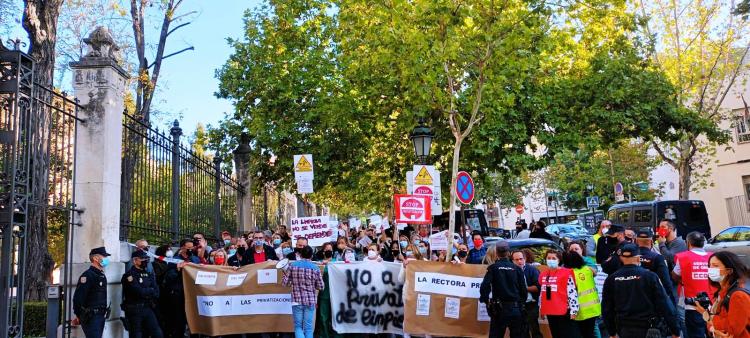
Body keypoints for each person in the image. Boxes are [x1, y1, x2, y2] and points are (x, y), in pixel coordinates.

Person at [601, 243, 680, 338]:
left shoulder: (611, 279)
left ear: (621, 258)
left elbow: (606, 309)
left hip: (624, 329)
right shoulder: (650, 277)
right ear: (638, 258)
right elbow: (664, 304)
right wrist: (675, 330)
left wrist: (612, 332)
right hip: (649, 329)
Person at [694, 251, 750, 338]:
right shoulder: (721, 292)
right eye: (709, 266)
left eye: (715, 266)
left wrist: (709, 317)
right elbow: (713, 325)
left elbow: (733, 331)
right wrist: (713, 328)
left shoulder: (738, 296)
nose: (710, 269)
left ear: (729, 271)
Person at [479, 241, 527, 338]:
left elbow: (485, 287)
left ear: (496, 253)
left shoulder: (493, 268)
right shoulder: (517, 269)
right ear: (508, 253)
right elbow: (523, 290)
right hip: (515, 308)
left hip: (499, 309)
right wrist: (520, 303)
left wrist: (485, 300)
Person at [673, 231, 711, 338]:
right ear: (704, 243)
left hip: (692, 305)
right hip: (712, 305)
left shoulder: (683, 257)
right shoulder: (713, 257)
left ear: (688, 243)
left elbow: (675, 276)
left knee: (695, 334)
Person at [282, 245, 324, 338]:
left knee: (298, 327)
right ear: (311, 256)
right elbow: (321, 286)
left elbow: (285, 283)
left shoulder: (292, 266)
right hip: (310, 301)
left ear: (300, 255)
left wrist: (285, 275)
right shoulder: (316, 268)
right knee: (308, 328)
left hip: (296, 301)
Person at [121, 250, 163, 338]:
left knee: (157, 333)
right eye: (142, 259)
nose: (145, 261)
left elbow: (156, 292)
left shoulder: (149, 274)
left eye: (146, 259)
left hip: (147, 308)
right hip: (134, 309)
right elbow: (138, 292)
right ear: (134, 261)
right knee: (136, 335)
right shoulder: (129, 276)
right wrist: (150, 290)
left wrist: (148, 290)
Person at [538, 250, 579, 338]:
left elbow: (572, 292)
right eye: (548, 258)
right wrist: (542, 308)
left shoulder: (566, 273)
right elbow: (543, 293)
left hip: (564, 311)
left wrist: (574, 310)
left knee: (567, 335)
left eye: (553, 258)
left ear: (559, 260)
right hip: (550, 311)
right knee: (555, 334)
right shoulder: (544, 274)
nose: (551, 260)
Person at [72, 247, 111, 338]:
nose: (106, 259)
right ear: (95, 258)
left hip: (100, 316)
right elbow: (78, 298)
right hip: (91, 317)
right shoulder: (88, 275)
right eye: (104, 256)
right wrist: (79, 315)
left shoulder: (101, 275)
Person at [564, 250, 600, 338]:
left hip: (579, 310)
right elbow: (594, 272)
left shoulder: (569, 274)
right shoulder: (588, 269)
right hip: (593, 308)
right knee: (590, 334)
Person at [634, 229, 676, 303]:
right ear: (651, 242)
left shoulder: (627, 258)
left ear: (636, 241)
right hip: (651, 298)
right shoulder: (658, 258)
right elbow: (665, 281)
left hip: (632, 298)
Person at [512, 250, 542, 338]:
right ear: (513, 261)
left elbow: (538, 287)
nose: (519, 261)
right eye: (516, 260)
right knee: (522, 331)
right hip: (517, 305)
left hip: (531, 304)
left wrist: (523, 289)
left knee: (534, 329)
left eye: (521, 259)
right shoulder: (510, 271)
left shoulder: (532, 270)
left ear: (525, 259)